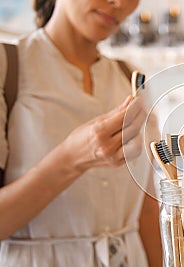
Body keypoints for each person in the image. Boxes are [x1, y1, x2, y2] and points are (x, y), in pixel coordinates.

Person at [0, 0, 162, 266]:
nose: (119, 4)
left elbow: (145, 209)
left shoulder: (130, 78)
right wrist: (71, 158)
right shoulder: (9, 67)